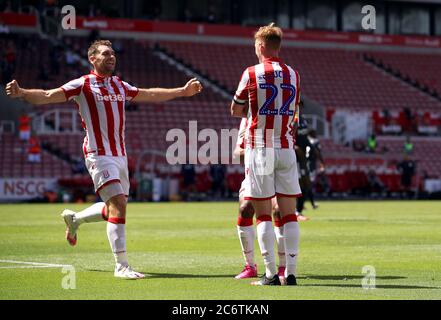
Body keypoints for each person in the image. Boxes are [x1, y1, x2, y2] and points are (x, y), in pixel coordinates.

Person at [5, 39, 203, 279]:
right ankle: (121, 266)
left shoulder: (119, 85)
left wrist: (182, 91)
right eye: (106, 54)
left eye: (113, 54)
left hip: (120, 155)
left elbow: (149, 94)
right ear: (93, 59)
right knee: (118, 203)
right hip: (98, 154)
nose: (112, 57)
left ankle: (75, 219)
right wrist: (22, 93)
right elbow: (48, 95)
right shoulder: (83, 84)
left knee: (114, 209)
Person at [230, 23, 301, 286]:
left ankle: (270, 274)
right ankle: (290, 273)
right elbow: (293, 112)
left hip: (260, 148)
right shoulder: (294, 74)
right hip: (286, 148)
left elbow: (235, 110)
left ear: (260, 46)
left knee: (262, 215)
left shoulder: (251, 73)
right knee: (289, 214)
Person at [233, 118, 287, 284]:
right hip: (255, 172)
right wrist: (255, 150)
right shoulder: (247, 121)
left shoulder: (283, 113)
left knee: (278, 210)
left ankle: (283, 267)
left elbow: (293, 146)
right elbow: (237, 154)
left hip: (279, 171)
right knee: (245, 209)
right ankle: (250, 266)